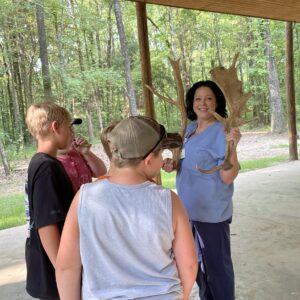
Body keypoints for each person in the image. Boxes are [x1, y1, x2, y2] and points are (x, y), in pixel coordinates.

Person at [56, 116, 198, 300]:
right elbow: (189, 265)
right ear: (148, 160)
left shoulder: (84, 197)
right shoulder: (169, 200)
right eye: (161, 153)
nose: (162, 159)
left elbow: (66, 267)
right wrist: (183, 296)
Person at [163, 80, 241, 300]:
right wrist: (174, 164)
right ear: (191, 102)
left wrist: (232, 147)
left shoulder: (222, 130)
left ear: (217, 102)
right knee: (198, 267)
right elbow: (190, 161)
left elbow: (227, 176)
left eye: (209, 98)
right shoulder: (189, 129)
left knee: (218, 269)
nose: (202, 103)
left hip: (212, 214)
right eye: (198, 98)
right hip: (188, 212)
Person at [25, 102, 75, 300]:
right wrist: (63, 272)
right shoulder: (47, 168)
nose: (71, 132)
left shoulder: (41, 163)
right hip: (53, 273)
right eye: (69, 126)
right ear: (55, 127)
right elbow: (46, 224)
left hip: (51, 268)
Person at [57, 118, 107, 192]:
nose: (72, 133)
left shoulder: (78, 151)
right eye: (68, 129)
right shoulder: (50, 162)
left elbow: (102, 173)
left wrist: (86, 153)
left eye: (72, 128)